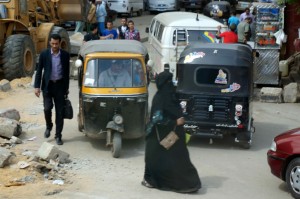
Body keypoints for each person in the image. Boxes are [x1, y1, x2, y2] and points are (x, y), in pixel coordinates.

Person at [142, 70, 201, 193]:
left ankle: (186, 184)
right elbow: (159, 118)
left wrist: (176, 122)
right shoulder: (167, 96)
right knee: (164, 159)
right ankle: (153, 180)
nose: (171, 84)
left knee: (169, 159)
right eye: (168, 82)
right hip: (168, 134)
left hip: (165, 135)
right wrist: (175, 122)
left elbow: (158, 119)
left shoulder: (163, 96)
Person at [34, 34, 70, 145]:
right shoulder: (44, 54)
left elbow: (67, 73)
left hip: (60, 87)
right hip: (48, 86)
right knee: (47, 108)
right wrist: (37, 87)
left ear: (59, 43)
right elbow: (39, 71)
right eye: (53, 43)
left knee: (60, 113)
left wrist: (66, 88)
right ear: (50, 42)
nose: (54, 46)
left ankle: (58, 136)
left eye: (56, 44)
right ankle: (48, 126)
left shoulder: (65, 55)